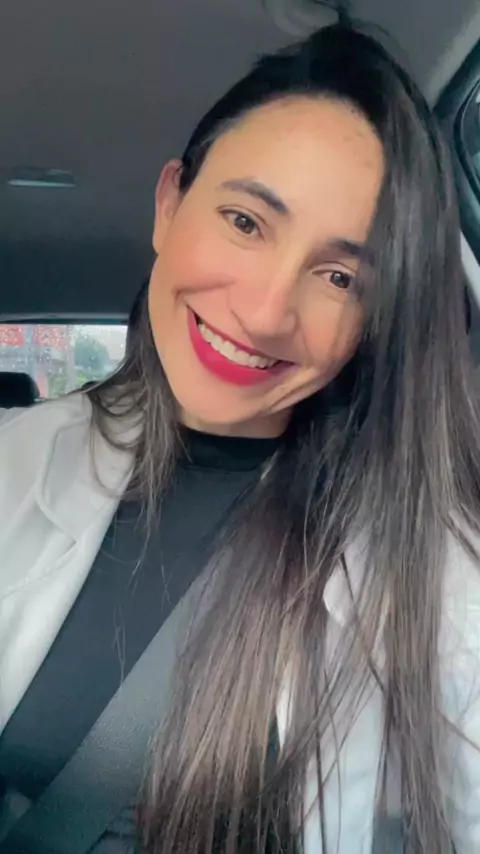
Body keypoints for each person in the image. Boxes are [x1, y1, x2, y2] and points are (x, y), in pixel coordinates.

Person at [0, 21, 479, 854]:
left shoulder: (434, 569)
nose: (263, 312)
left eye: (340, 277)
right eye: (245, 221)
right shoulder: (14, 465)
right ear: (169, 204)